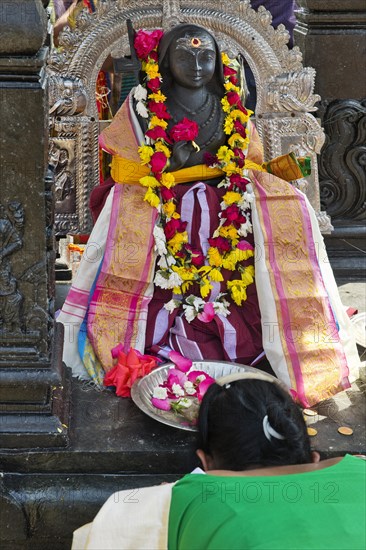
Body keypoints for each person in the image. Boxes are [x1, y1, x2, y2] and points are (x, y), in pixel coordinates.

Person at [58, 23, 360, 407]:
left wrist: (230, 169)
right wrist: (166, 162)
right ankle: (148, 329)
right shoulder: (145, 101)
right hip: (160, 200)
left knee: (279, 208)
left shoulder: (229, 103)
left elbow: (247, 158)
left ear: (219, 64)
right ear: (165, 62)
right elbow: (125, 162)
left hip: (226, 205)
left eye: (206, 56)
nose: (197, 64)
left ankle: (266, 333)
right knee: (137, 215)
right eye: (185, 55)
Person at [71, 372, 366, 549]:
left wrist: (168, 496)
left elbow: (105, 538)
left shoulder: (166, 504)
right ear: (313, 458)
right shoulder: (359, 469)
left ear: (205, 462)